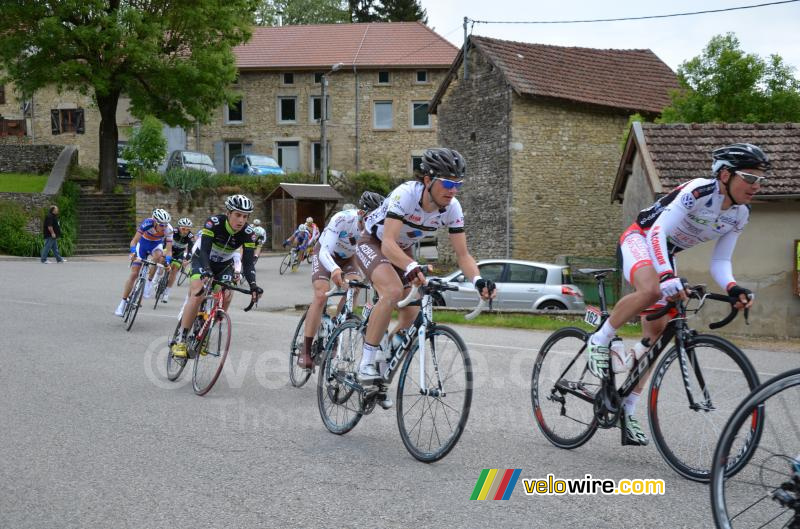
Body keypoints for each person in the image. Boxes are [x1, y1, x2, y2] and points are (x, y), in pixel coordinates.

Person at [585, 143, 768, 446]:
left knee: (657, 336)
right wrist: (668, 276)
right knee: (652, 289)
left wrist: (733, 287)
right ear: (724, 174)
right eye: (749, 177)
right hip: (641, 238)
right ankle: (600, 338)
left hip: (666, 253)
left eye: (760, 179)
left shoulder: (740, 214)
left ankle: (627, 408)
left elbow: (721, 261)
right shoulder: (698, 191)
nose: (756, 186)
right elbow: (657, 232)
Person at [355, 147, 496, 409]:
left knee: (410, 317)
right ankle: (365, 363)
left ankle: (382, 361)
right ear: (428, 180)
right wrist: (410, 266)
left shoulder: (452, 208)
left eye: (458, 184)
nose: (453, 190)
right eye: (448, 183)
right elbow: (387, 243)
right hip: (374, 242)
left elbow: (463, 255)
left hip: (403, 248)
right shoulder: (405, 195)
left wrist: (478, 281)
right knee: (393, 291)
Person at [297, 193, 384, 369]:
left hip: (349, 258)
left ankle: (337, 328)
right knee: (321, 295)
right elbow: (324, 251)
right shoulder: (342, 219)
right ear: (361, 213)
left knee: (355, 287)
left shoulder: (377, 229)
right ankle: (305, 350)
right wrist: (335, 269)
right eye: (369, 218)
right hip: (326, 253)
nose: (372, 223)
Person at [170, 195, 262, 359]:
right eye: (238, 215)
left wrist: (254, 285)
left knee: (227, 295)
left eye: (245, 216)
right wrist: (206, 270)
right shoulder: (214, 223)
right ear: (228, 213)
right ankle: (181, 339)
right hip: (202, 259)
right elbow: (204, 250)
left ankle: (206, 332)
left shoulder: (249, 234)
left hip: (224, 264)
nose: (241, 220)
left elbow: (248, 264)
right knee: (198, 292)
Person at [114, 209, 174, 316]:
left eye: (165, 225)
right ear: (155, 221)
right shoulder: (147, 223)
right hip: (142, 245)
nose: (163, 227)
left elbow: (169, 251)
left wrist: (168, 262)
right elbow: (134, 241)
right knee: (134, 274)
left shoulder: (169, 230)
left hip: (155, 246)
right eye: (161, 225)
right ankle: (122, 303)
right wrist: (133, 253)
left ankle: (149, 282)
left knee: (158, 256)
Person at [162, 217, 195, 303]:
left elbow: (191, 250)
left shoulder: (190, 236)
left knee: (175, 269)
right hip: (169, 248)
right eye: (183, 229)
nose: (185, 231)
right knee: (162, 258)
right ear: (179, 227)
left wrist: (186, 260)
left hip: (179, 253)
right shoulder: (174, 231)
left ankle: (166, 293)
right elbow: (164, 240)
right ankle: (157, 275)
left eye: (187, 229)